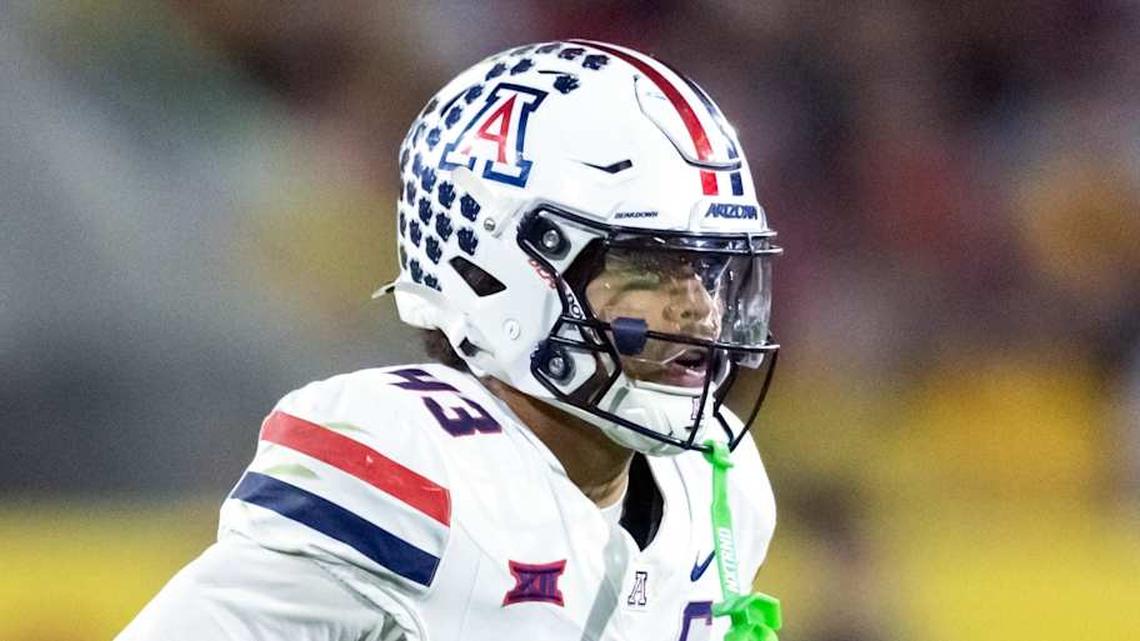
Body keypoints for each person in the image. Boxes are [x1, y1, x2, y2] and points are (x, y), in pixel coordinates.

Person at [116, 39, 784, 641]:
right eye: (646, 263)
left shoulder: (715, 483)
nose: (701, 306)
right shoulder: (423, 471)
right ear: (498, 269)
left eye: (710, 266)